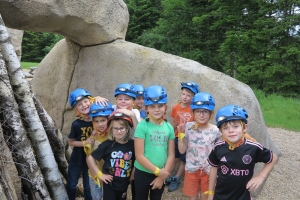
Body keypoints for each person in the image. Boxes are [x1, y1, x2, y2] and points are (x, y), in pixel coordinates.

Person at [207, 104, 277, 200]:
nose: (231, 130)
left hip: (243, 197)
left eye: (235, 126)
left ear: (244, 128)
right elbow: (214, 168)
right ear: (220, 131)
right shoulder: (218, 147)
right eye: (225, 128)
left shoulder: (253, 147)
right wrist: (211, 193)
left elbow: (273, 158)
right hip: (220, 196)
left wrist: (260, 177)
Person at [66, 88, 108, 200]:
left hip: (92, 159)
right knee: (71, 184)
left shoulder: (98, 119)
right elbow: (70, 142)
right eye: (79, 104)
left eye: (86, 101)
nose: (84, 105)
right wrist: (85, 142)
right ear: (76, 109)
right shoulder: (76, 124)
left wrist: (96, 98)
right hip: (77, 157)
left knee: (88, 186)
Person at [134, 85, 175, 200]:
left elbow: (171, 154)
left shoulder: (169, 128)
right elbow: (139, 155)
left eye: (160, 106)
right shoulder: (142, 126)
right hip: (142, 173)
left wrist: (162, 176)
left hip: (161, 172)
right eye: (152, 106)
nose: (157, 109)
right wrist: (158, 172)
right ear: (146, 109)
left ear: (165, 107)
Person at [178, 92, 221, 200]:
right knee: (192, 197)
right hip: (191, 169)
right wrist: (181, 134)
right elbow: (182, 150)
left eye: (205, 111)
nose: (201, 115)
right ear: (193, 112)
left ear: (211, 113)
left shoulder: (215, 130)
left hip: (208, 170)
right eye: (198, 111)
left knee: (205, 196)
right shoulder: (188, 127)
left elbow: (219, 150)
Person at [86, 111, 135, 200]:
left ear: (127, 128)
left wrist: (133, 173)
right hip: (110, 183)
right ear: (111, 129)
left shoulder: (132, 144)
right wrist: (99, 174)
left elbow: (137, 159)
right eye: (115, 128)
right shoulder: (107, 145)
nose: (119, 131)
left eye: (122, 128)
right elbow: (90, 158)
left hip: (124, 183)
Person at [168, 81, 200, 192]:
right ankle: (167, 175)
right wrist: (170, 134)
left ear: (193, 97)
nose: (185, 97)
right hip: (177, 137)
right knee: (173, 157)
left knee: (184, 160)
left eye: (189, 95)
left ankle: (176, 178)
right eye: (183, 94)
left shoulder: (193, 109)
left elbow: (197, 124)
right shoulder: (175, 107)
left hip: (187, 139)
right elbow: (174, 123)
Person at [86, 102, 114, 200]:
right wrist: (98, 174)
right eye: (96, 121)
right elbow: (89, 157)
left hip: (110, 174)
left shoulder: (114, 135)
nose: (100, 124)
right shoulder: (94, 135)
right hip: (95, 174)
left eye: (103, 120)